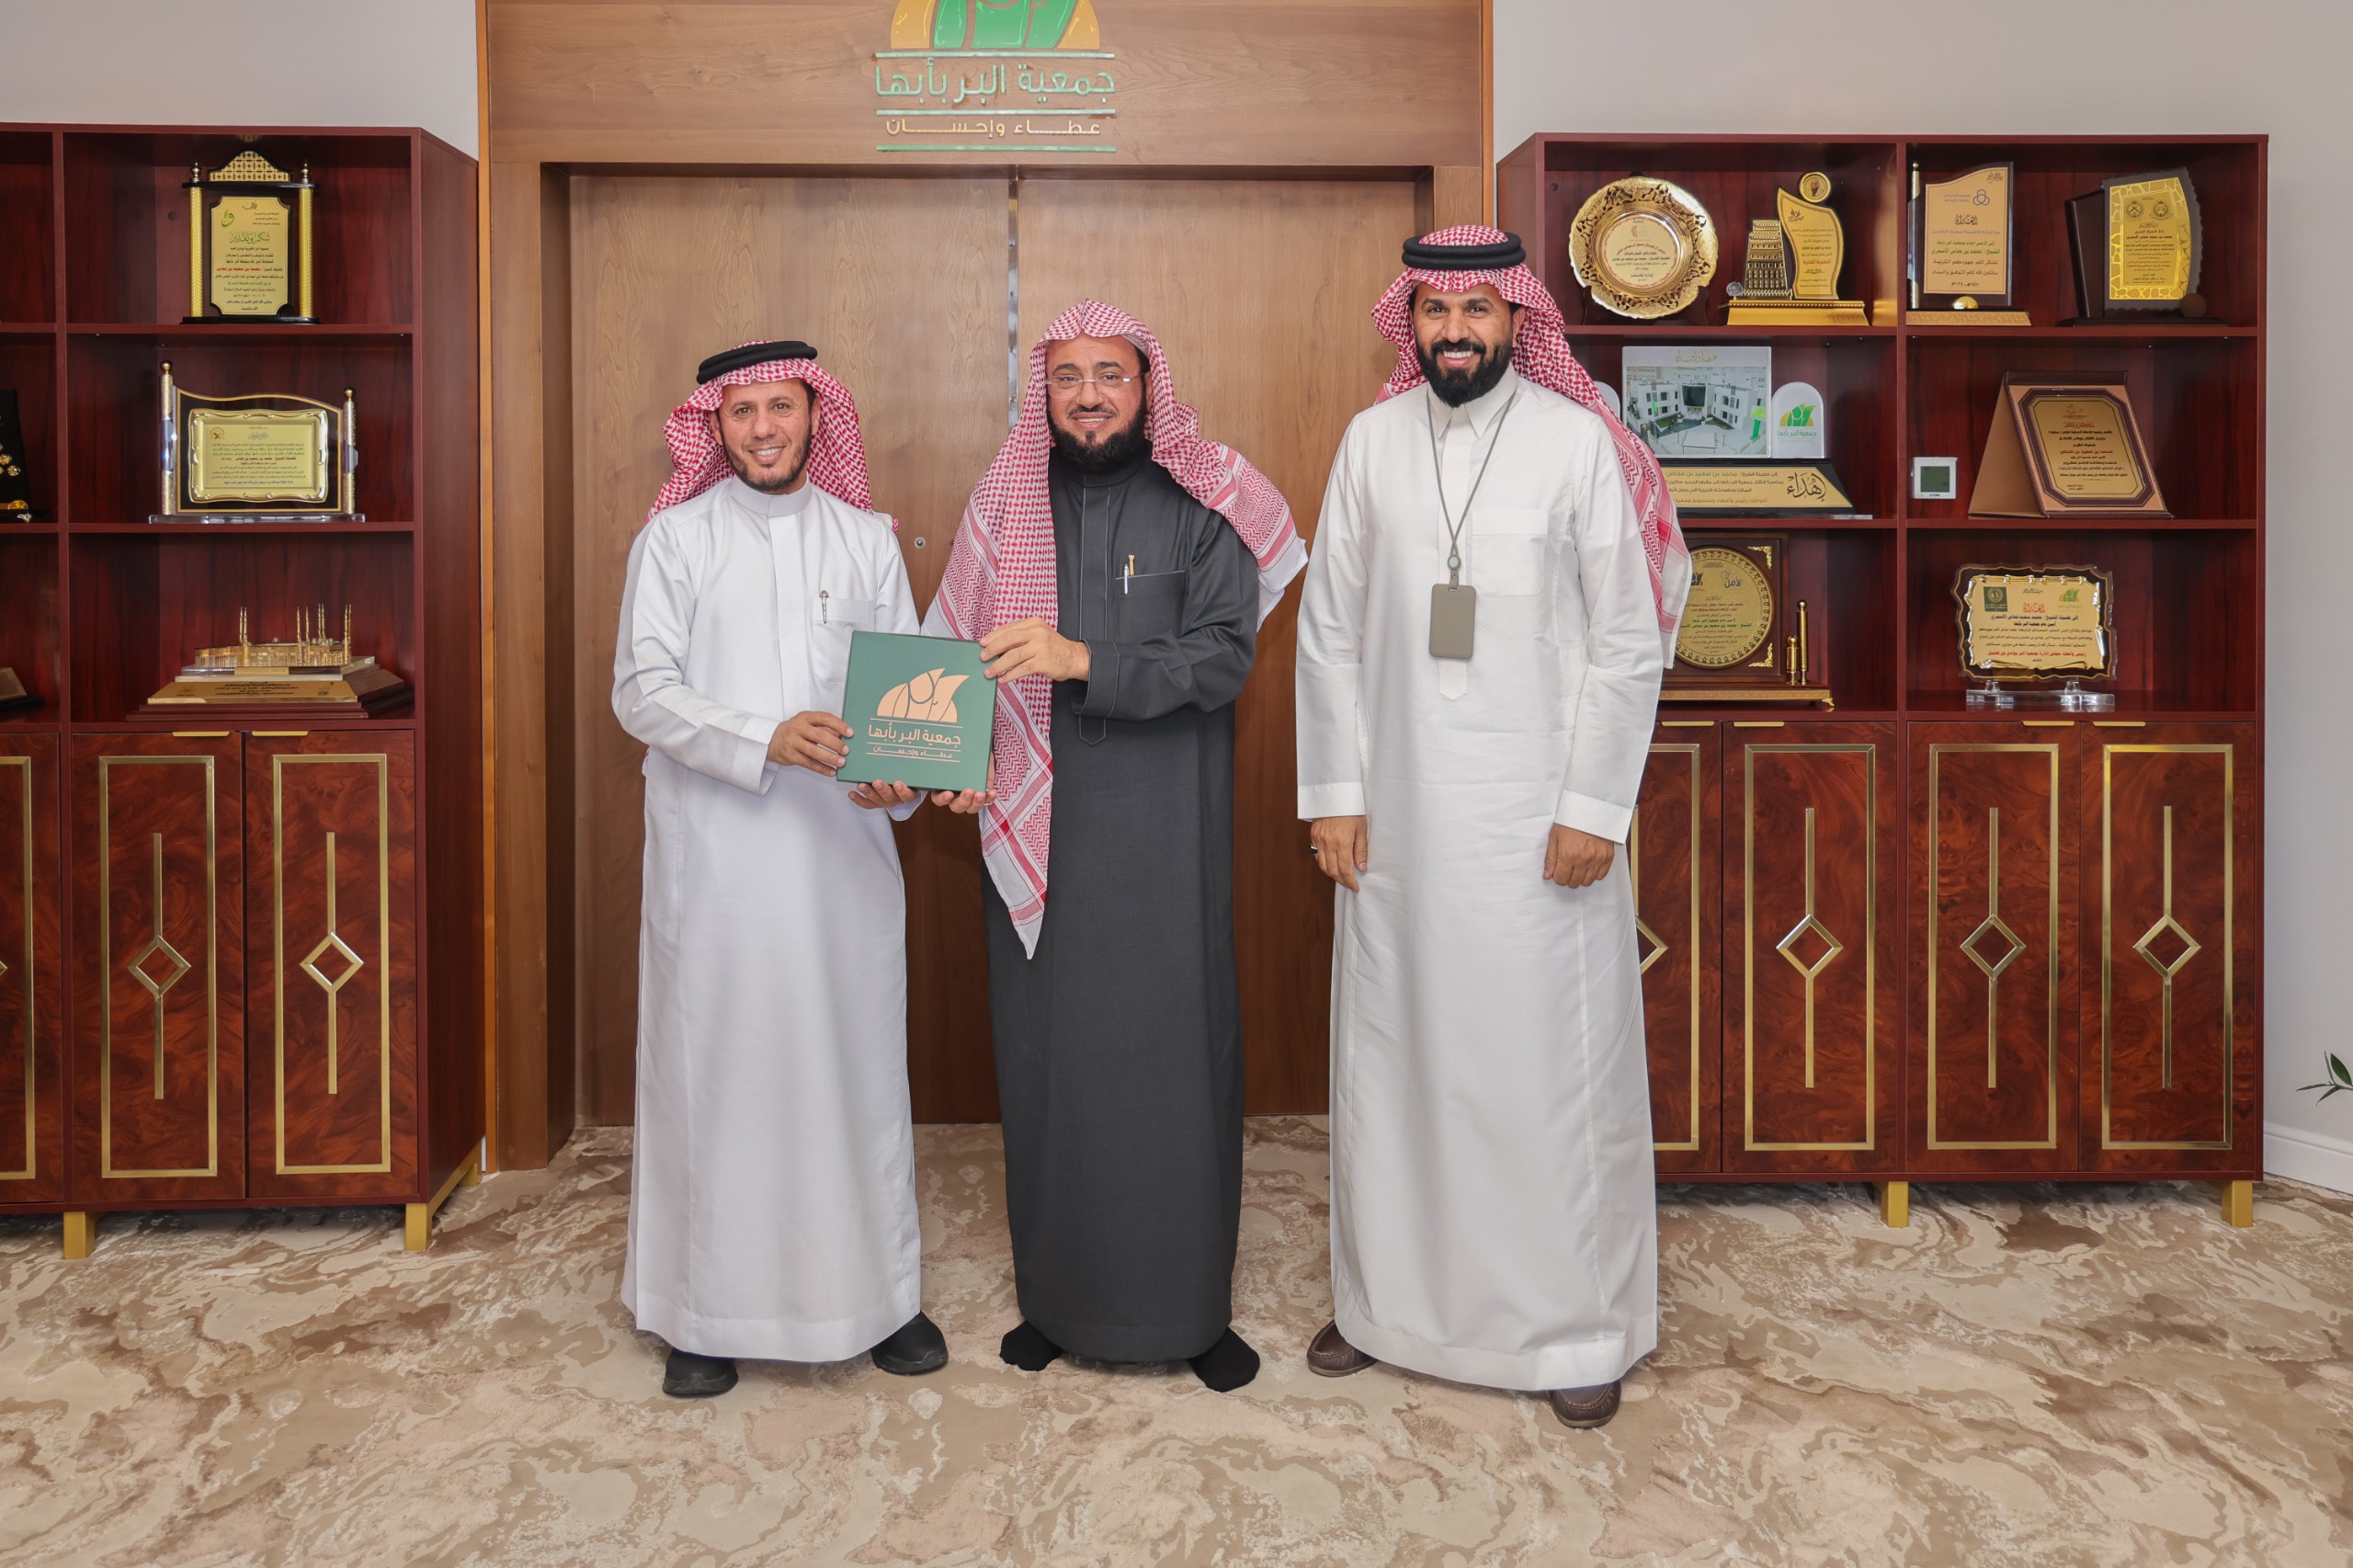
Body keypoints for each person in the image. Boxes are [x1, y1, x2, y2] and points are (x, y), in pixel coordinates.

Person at [1293, 228, 1690, 1429]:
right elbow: (1329, 631)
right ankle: (1385, 1306)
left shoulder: (1576, 443)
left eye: (1477, 308)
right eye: (1435, 309)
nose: (1455, 329)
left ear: (1518, 319)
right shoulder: (1371, 443)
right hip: (1399, 827)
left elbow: (1626, 641)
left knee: (1544, 1074)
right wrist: (1335, 792)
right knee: (1397, 1059)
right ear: (1408, 321)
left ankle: (1574, 1328)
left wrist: (1591, 808)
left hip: (1537, 827)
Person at [927, 300, 1305, 1392]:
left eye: (1110, 375)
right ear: (1042, 394)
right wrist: (949, 759)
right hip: (1034, 822)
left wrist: (1082, 657)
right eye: (1066, 378)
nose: (1088, 396)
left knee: (1173, 1056)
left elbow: (1222, 656)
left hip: (1162, 822)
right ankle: (1058, 1301)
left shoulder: (1205, 500)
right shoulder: (1006, 501)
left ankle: (1190, 1311)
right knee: (1047, 1060)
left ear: (1148, 389)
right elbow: (951, 651)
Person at [613, 340, 949, 1398]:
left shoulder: (866, 540)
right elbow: (641, 690)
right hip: (717, 864)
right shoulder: (674, 540)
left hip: (841, 860)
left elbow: (907, 696)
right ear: (714, 426)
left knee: (851, 1068)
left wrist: (902, 777)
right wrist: (764, 735)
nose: (763, 428)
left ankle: (879, 1296)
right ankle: (703, 1313)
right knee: (718, 1073)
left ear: (815, 415)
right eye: (742, 411)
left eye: (782, 407)